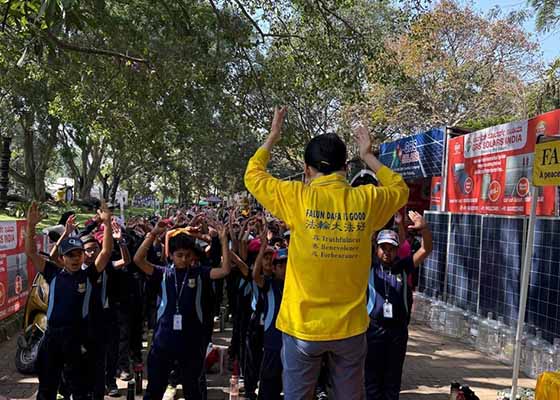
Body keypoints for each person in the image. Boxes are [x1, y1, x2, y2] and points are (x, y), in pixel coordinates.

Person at [244, 107, 409, 399]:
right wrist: (369, 155)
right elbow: (400, 188)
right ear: (346, 166)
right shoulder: (366, 200)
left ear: (307, 169)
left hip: (302, 327)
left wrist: (273, 136)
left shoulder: (297, 196)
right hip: (350, 328)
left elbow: (253, 175)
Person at [133, 219, 231, 400]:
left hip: (191, 343)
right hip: (163, 341)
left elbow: (224, 270)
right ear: (171, 255)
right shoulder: (163, 273)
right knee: (154, 389)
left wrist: (224, 241)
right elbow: (138, 259)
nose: (184, 259)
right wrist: (153, 234)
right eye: (179, 255)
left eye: (187, 255)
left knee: (193, 391)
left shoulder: (200, 273)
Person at [25, 202, 113, 400]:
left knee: (80, 389)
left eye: (78, 254)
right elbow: (31, 252)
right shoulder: (52, 273)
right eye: (70, 255)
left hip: (78, 338)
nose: (75, 259)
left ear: (83, 256)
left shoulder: (88, 275)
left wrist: (107, 224)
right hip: (52, 337)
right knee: (47, 388)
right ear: (62, 258)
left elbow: (106, 253)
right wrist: (30, 227)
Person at [365, 211, 433, 400]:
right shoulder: (368, 266)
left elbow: (426, 249)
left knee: (392, 380)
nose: (387, 252)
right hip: (373, 329)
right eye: (383, 247)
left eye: (391, 248)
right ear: (376, 249)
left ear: (397, 250)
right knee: (371, 380)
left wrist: (424, 229)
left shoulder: (403, 266)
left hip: (397, 331)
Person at [253, 224, 287, 400]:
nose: (284, 268)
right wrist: (261, 250)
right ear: (273, 268)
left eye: (287, 264)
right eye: (280, 265)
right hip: (273, 341)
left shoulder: (295, 286)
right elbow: (255, 275)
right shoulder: (268, 284)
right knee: (269, 386)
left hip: (291, 342)